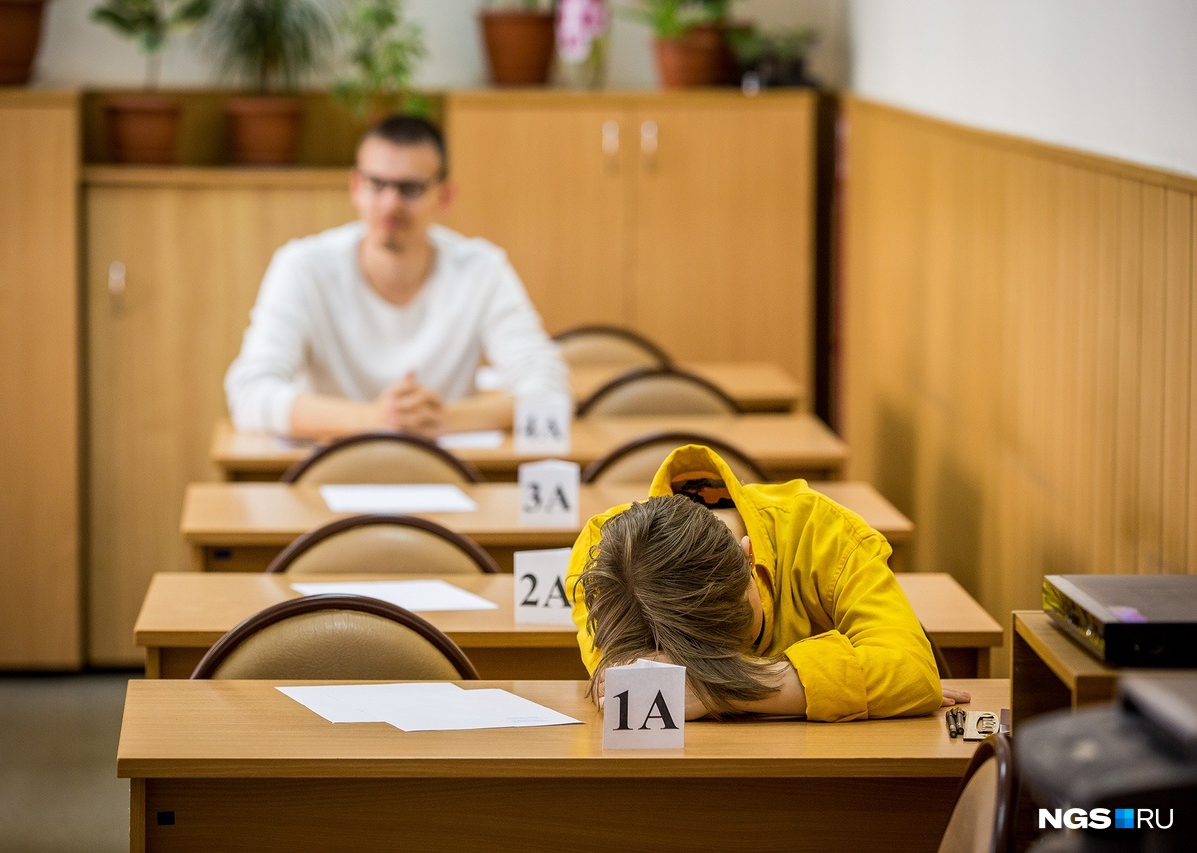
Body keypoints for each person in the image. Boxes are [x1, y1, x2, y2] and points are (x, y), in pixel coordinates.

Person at [566, 444, 970, 721]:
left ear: (749, 557)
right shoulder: (604, 558)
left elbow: (911, 671)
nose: (721, 661)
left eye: (744, 634)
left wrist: (716, 689)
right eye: (684, 655)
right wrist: (827, 684)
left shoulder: (822, 529)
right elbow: (617, 682)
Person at [225, 115, 568, 440]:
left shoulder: (482, 269)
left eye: (411, 189)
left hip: (447, 472)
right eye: (376, 185)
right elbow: (250, 392)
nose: (390, 205)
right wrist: (372, 419)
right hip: (326, 470)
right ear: (355, 187)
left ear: (445, 196)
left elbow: (549, 389)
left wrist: (445, 418)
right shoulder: (302, 267)